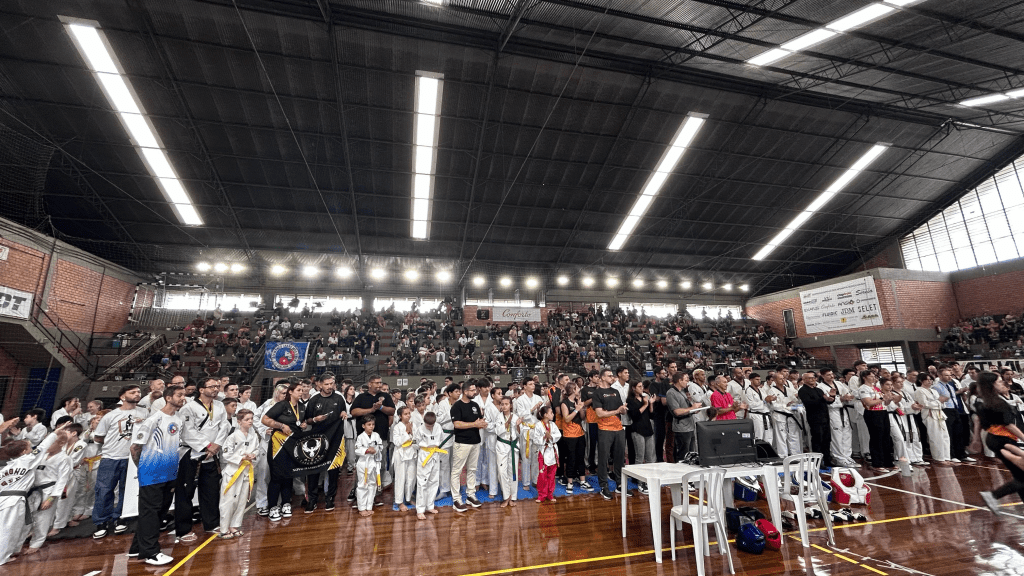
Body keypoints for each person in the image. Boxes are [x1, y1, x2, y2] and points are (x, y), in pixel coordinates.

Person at [127, 385, 186, 565]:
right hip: (152, 473)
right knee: (150, 512)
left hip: (169, 473)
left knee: (159, 512)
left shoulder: (178, 419)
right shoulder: (154, 419)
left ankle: (137, 547)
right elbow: (135, 447)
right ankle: (151, 552)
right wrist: (143, 469)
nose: (183, 398)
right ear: (168, 398)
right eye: (179, 395)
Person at [0, 422, 70, 565]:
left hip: (14, 497)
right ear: (24, 452)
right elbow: (42, 447)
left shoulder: (7, 467)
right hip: (16, 499)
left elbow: (63, 480)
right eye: (29, 447)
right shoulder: (28, 460)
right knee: (9, 529)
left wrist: (52, 497)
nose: (32, 448)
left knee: (18, 525)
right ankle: (3, 557)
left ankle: (22, 547)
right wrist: (55, 433)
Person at [174, 377, 229, 543]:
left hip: (213, 455)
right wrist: (206, 446)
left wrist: (217, 445)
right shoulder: (188, 407)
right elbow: (187, 432)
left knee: (211, 491)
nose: (215, 389)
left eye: (217, 386)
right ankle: (183, 530)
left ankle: (211, 523)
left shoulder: (219, 405)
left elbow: (224, 426)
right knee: (185, 493)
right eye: (211, 386)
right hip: (192, 454)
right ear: (201, 389)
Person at [92, 385, 147, 539]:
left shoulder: (144, 412)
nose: (137, 394)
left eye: (138, 392)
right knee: (104, 490)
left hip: (132, 458)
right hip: (111, 457)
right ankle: (101, 521)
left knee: (127, 489)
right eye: (133, 392)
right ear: (122, 396)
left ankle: (121, 517)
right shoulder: (110, 415)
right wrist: (113, 445)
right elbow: (98, 437)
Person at [977, 371, 1024, 514]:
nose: (1002, 383)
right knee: (1022, 476)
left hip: (994, 438)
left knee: (1019, 475)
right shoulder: (997, 402)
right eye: (998, 381)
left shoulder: (984, 400)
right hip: (1002, 440)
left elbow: (982, 423)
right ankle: (993, 495)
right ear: (991, 385)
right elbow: (1009, 424)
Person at [21, 426, 72, 556]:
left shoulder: (64, 458)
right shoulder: (41, 456)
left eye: (52, 441)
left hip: (48, 491)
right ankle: (20, 543)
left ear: (61, 443)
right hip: (33, 490)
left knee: (43, 518)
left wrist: (52, 498)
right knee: (27, 518)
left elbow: (62, 480)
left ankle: (36, 543)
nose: (48, 444)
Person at [261, 379, 307, 521]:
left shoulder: (302, 407)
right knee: (277, 476)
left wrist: (303, 425)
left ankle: (286, 503)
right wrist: (280, 426)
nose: (302, 392)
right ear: (291, 392)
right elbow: (265, 419)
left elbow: (299, 422)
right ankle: (273, 507)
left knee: (289, 475)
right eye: (299, 390)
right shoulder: (282, 405)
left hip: (293, 445)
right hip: (278, 444)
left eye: (303, 390)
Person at [303, 372, 347, 513]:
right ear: (320, 384)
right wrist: (316, 419)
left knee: (333, 470)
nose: (329, 387)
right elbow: (307, 420)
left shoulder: (339, 398)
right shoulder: (314, 399)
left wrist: (343, 414)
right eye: (326, 384)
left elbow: (343, 412)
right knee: (314, 470)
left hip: (335, 438)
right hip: (317, 440)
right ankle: (312, 500)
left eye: (331, 384)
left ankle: (330, 498)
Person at [350, 376, 396, 488]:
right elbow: (354, 412)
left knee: (380, 462)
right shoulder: (361, 397)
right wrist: (371, 410)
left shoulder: (385, 396)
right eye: (376, 383)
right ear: (369, 384)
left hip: (381, 435)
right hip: (364, 437)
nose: (379, 385)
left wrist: (381, 408)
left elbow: (392, 411)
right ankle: (359, 487)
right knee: (362, 464)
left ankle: (377, 488)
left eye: (380, 382)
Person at [218, 409, 258, 538]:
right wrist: (241, 458)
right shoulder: (232, 436)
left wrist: (253, 455)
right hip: (233, 472)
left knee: (241, 501)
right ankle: (224, 528)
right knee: (228, 501)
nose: (250, 421)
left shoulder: (254, 436)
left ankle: (234, 526)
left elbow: (256, 449)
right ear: (239, 421)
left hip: (246, 472)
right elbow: (226, 454)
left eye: (251, 418)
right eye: (247, 419)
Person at [450, 380, 487, 512]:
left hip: (475, 441)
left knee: (472, 469)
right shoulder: (457, 406)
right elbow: (457, 424)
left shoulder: (475, 405)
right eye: (472, 390)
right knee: (457, 471)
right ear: (465, 391)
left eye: (474, 390)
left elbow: (479, 420)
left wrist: (482, 423)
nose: (474, 392)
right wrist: (474, 424)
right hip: (462, 442)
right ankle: (456, 498)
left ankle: (470, 494)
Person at [592, 368, 627, 500]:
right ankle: (603, 486)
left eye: (612, 375)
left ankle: (619, 484)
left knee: (619, 458)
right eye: (609, 376)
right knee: (603, 458)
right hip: (605, 429)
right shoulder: (598, 393)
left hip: (618, 428)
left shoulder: (615, 391)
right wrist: (616, 411)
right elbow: (599, 413)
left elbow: (620, 411)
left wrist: (623, 410)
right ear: (602, 378)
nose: (612, 377)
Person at [253, 383, 287, 515]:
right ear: (277, 393)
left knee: (278, 474)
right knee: (263, 473)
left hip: (281, 443)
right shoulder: (268, 404)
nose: (285, 395)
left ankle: (276, 503)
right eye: (283, 393)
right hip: (267, 443)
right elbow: (256, 418)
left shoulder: (288, 405)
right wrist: (263, 430)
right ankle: (262, 503)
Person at [858, 371, 894, 472]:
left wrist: (889, 399)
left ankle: (888, 462)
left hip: (883, 412)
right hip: (873, 413)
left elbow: (885, 403)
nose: (874, 378)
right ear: (865, 377)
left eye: (875, 376)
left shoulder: (876, 388)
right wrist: (883, 398)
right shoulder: (863, 388)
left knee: (886, 437)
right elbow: (868, 403)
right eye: (871, 376)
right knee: (876, 437)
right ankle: (877, 463)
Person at [798, 370, 834, 468]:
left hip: (825, 417)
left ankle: (827, 460)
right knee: (817, 440)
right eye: (810, 378)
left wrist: (831, 397)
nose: (812, 380)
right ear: (804, 380)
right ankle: (817, 462)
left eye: (813, 378)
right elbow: (809, 403)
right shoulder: (803, 390)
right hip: (814, 418)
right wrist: (823, 399)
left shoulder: (819, 390)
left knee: (827, 439)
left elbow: (827, 401)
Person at [823, 368, 858, 468]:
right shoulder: (821, 387)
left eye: (832, 374)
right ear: (823, 376)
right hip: (832, 412)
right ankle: (839, 458)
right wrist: (841, 399)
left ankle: (847, 457)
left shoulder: (839, 383)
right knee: (837, 435)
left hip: (843, 411)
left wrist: (846, 397)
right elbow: (827, 401)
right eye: (828, 374)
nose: (831, 376)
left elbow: (847, 394)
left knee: (847, 433)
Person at [914, 373, 951, 465]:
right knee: (935, 436)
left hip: (939, 413)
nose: (930, 381)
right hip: (929, 414)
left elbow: (942, 404)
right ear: (921, 381)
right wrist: (938, 401)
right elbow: (924, 404)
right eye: (927, 380)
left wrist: (940, 402)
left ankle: (946, 457)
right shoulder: (919, 391)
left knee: (945, 436)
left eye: (931, 380)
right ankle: (938, 458)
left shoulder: (933, 391)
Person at [558, 383, 588, 494]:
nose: (579, 389)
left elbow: (582, 417)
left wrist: (580, 408)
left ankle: (582, 480)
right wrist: (576, 410)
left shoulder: (577, 401)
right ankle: (570, 482)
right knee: (571, 458)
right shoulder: (564, 403)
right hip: (569, 434)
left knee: (581, 457)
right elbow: (566, 419)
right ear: (572, 390)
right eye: (577, 388)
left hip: (580, 433)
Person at [513, 378, 543, 490]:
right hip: (526, 429)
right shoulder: (519, 400)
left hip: (537, 429)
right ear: (524, 386)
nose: (533, 386)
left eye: (533, 384)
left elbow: (541, 415)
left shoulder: (538, 398)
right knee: (526, 457)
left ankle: (535, 479)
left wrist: (539, 409)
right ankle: (525, 482)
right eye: (530, 384)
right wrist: (533, 408)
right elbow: (520, 415)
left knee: (536, 456)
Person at [667, 372, 702, 460]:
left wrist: (695, 409)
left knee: (691, 453)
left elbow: (687, 409)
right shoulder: (671, 393)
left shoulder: (682, 392)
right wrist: (692, 408)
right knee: (683, 454)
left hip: (690, 425)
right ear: (679, 380)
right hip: (682, 427)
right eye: (686, 380)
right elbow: (677, 411)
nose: (687, 382)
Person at [493, 396, 522, 506]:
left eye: (506, 404)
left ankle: (513, 497)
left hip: (513, 446)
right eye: (502, 404)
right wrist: (508, 422)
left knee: (513, 472)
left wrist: (518, 426)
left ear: (510, 405)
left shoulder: (516, 417)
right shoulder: (498, 417)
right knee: (501, 472)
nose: (504, 406)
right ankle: (506, 496)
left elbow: (519, 434)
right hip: (502, 446)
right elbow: (497, 431)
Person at [414, 411, 443, 519]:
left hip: (435, 454)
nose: (429, 427)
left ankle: (430, 505)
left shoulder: (438, 427)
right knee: (422, 482)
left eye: (431, 425)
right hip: (424, 455)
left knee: (434, 480)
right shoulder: (420, 429)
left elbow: (441, 439)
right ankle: (420, 509)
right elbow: (415, 443)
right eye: (427, 425)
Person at [626, 381, 656, 482]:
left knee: (650, 457)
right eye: (639, 386)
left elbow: (651, 414)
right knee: (639, 456)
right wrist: (645, 404)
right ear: (633, 388)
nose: (642, 388)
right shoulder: (630, 400)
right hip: (637, 429)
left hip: (648, 428)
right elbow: (635, 415)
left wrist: (650, 404)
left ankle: (649, 478)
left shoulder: (644, 398)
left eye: (642, 386)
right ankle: (638, 479)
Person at [354, 416, 383, 517]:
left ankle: (369, 506)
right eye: (369, 425)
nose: (371, 427)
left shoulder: (376, 435)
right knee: (362, 485)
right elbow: (357, 450)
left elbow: (380, 446)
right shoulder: (360, 437)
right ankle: (361, 508)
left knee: (372, 485)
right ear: (363, 426)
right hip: (364, 463)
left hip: (374, 463)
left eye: (373, 425)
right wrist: (366, 450)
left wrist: (376, 449)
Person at [769, 369, 801, 457]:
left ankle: (795, 455)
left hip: (791, 416)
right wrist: (786, 406)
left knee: (793, 436)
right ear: (775, 380)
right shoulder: (772, 391)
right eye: (780, 379)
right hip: (779, 416)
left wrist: (790, 405)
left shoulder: (789, 389)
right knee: (781, 437)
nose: (783, 380)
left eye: (784, 379)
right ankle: (783, 456)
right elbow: (775, 406)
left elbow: (795, 401)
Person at [391, 407, 417, 512]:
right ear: (400, 416)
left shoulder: (413, 425)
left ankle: (408, 497)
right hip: (400, 455)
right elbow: (397, 442)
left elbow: (417, 439)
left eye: (409, 413)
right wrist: (407, 432)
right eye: (405, 414)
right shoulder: (397, 427)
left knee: (411, 478)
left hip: (411, 453)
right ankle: (399, 501)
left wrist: (412, 434)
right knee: (400, 479)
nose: (408, 415)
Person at [533, 405, 560, 503]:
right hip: (543, 452)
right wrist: (544, 437)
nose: (553, 414)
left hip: (552, 452)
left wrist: (551, 436)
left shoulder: (553, 425)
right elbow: (535, 439)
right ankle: (541, 495)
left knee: (552, 475)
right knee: (542, 475)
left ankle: (550, 494)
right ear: (545, 415)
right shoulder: (538, 425)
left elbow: (558, 435)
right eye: (551, 412)